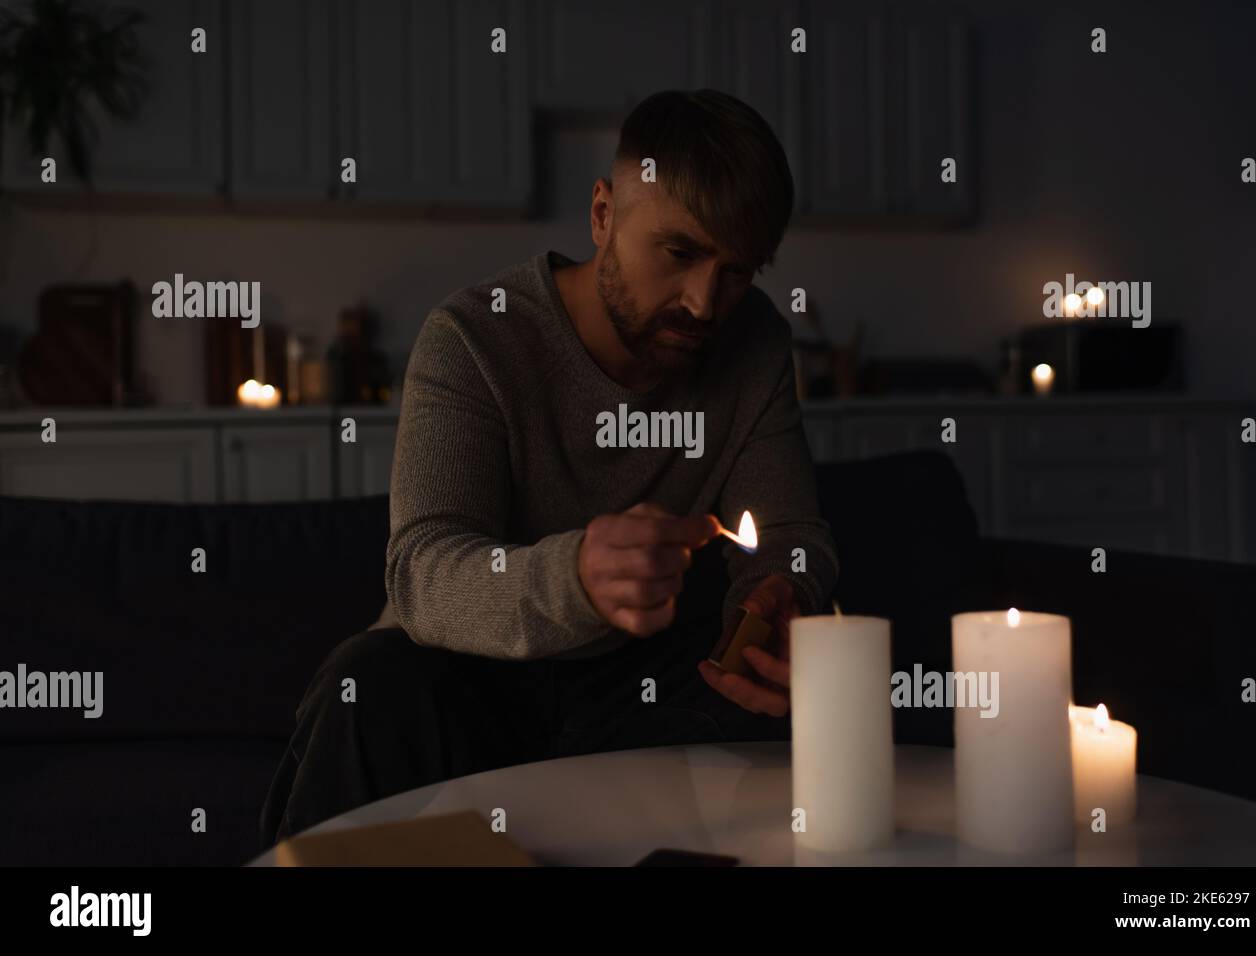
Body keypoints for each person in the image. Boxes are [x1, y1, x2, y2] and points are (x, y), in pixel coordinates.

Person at [259, 89, 839, 848]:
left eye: (737, 271)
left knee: (800, 701)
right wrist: (576, 579)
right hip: (477, 676)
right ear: (603, 215)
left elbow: (795, 535)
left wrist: (782, 599)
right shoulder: (473, 338)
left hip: (644, 683)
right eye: (681, 253)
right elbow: (422, 576)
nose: (704, 303)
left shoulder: (755, 343)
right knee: (366, 684)